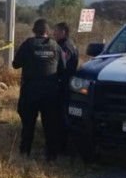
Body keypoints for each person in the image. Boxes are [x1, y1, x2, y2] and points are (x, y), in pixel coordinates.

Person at [12, 19, 66, 160]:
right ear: (48, 33)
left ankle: (25, 153)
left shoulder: (28, 45)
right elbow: (63, 69)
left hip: (30, 91)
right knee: (50, 125)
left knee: (28, 124)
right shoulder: (55, 46)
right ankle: (51, 156)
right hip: (50, 93)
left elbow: (15, 64)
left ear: (34, 31)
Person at [52, 22, 79, 155]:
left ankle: (62, 148)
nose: (53, 34)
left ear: (63, 32)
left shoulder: (66, 46)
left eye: (55, 31)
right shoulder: (66, 44)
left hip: (64, 86)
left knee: (61, 117)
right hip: (64, 84)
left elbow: (62, 64)